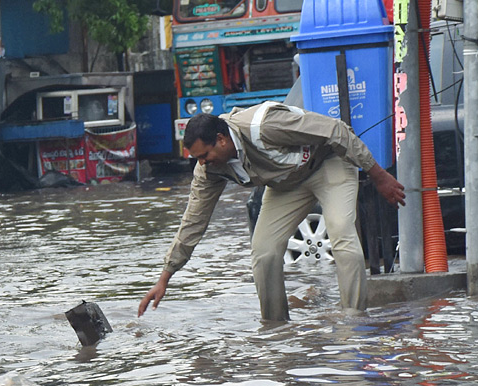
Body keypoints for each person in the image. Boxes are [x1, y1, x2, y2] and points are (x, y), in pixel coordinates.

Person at [139, 102, 406, 322]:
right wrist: (165, 276)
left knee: (340, 231)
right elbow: (193, 221)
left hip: (329, 163)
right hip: (287, 184)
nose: (202, 163)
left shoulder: (265, 127)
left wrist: (379, 176)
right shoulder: (209, 170)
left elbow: (335, 132)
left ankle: (353, 318)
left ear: (221, 140)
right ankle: (275, 327)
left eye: (204, 155)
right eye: (197, 158)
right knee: (264, 251)